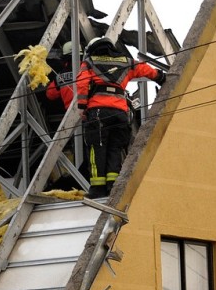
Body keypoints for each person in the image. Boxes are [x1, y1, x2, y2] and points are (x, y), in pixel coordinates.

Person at [76, 36, 166, 198]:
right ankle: (112, 185)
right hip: (120, 112)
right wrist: (160, 77)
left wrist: (82, 106)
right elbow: (145, 69)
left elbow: (82, 83)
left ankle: (97, 188)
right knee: (115, 148)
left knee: (97, 148)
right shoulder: (126, 61)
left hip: (98, 111)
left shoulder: (89, 62)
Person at [45, 41, 79, 109]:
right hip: (90, 109)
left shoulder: (59, 77)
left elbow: (50, 95)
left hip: (71, 111)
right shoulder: (88, 70)